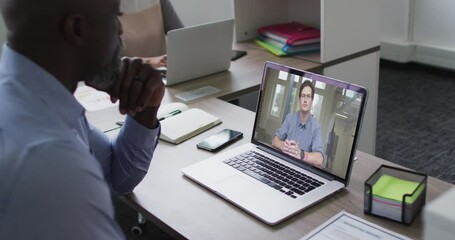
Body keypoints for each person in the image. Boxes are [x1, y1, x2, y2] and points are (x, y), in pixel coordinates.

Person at [0, 0, 164, 239]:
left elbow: (116, 178)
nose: (120, 30)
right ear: (77, 28)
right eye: (115, 17)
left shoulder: (33, 96)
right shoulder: (50, 163)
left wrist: (144, 110)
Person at [272, 80, 324, 167]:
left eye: (308, 96)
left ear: (312, 100)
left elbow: (319, 159)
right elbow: (274, 141)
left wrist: (301, 154)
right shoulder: (290, 118)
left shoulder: (316, 126)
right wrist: (283, 146)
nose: (305, 100)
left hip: (303, 171)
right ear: (299, 99)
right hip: (285, 165)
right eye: (303, 96)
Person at [120, 0, 183, 68]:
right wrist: (149, 62)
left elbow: (182, 37)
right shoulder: (108, 8)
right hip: (129, 76)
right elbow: (111, 64)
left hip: (164, 73)